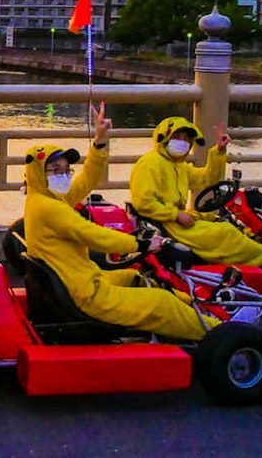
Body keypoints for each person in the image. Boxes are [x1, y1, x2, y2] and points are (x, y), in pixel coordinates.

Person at [22, 103, 229, 340]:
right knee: (159, 302)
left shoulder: (47, 198)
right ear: (38, 174)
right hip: (86, 293)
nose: (63, 175)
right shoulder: (50, 208)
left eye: (65, 170)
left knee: (136, 278)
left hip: (82, 279)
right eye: (54, 170)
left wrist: (100, 142)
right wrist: (140, 244)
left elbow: (86, 180)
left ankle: (201, 312)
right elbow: (95, 235)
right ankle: (219, 334)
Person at [129, 116, 262, 267]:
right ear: (164, 138)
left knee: (215, 218)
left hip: (174, 219)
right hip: (165, 223)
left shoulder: (179, 166)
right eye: (177, 137)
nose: (182, 142)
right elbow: (143, 202)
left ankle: (253, 252)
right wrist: (176, 214)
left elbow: (207, 180)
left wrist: (218, 151)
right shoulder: (149, 164)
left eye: (186, 139)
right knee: (225, 232)